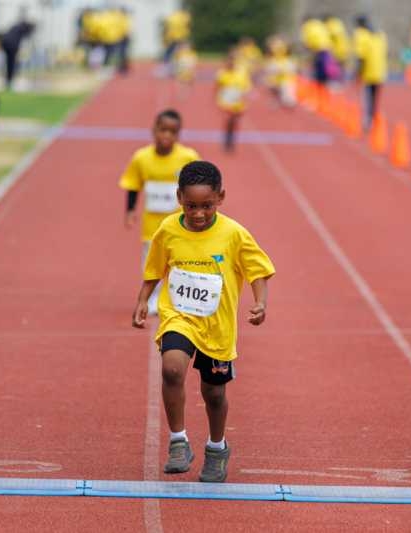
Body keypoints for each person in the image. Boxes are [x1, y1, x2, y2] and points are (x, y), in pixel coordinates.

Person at [132, 160, 275, 483]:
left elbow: (258, 270)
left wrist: (261, 302)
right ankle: (178, 441)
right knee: (171, 368)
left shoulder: (233, 233)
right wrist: (142, 300)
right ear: (179, 196)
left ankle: (216, 447)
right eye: (191, 205)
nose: (198, 214)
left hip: (217, 326)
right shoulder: (168, 229)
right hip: (179, 317)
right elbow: (154, 269)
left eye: (206, 206)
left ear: (220, 198)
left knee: (214, 394)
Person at [119, 110, 201, 315]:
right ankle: (154, 298)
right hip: (152, 225)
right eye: (162, 130)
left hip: (180, 224)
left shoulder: (187, 157)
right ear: (154, 130)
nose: (166, 135)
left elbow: (199, 185)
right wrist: (130, 210)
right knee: (152, 263)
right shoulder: (141, 158)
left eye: (172, 132)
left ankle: (180, 298)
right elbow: (133, 184)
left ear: (178, 134)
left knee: (181, 260)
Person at [353, 15, 388, 130]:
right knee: (374, 98)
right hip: (380, 71)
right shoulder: (380, 35)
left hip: (368, 72)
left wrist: (357, 73)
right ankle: (374, 118)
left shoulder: (361, 35)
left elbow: (361, 57)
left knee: (367, 98)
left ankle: (368, 121)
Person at [216, 50, 252, 152]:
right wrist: (218, 100)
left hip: (238, 101)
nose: (230, 63)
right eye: (229, 60)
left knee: (234, 121)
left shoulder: (242, 73)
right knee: (229, 119)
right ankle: (228, 140)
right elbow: (217, 87)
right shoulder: (222, 73)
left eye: (232, 60)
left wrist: (244, 98)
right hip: (226, 101)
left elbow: (246, 87)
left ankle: (231, 138)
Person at [1, 17, 35, 90]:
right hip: (11, 45)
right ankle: (9, 80)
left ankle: (8, 80)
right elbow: (26, 38)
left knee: (10, 63)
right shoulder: (23, 28)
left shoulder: (16, 27)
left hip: (5, 44)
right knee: (11, 64)